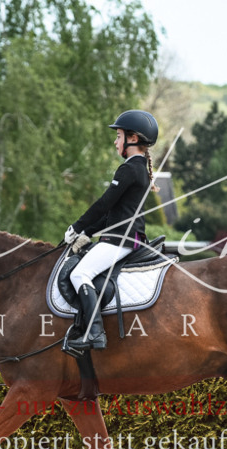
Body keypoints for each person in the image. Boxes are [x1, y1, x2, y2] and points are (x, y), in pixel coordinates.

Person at [64, 109, 158, 350]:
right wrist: (87, 233)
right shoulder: (139, 169)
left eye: (118, 136)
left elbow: (104, 203)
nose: (115, 142)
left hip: (120, 240)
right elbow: (112, 212)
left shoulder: (129, 169)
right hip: (127, 237)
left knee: (78, 274)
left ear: (133, 138)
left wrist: (77, 226)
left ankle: (94, 333)